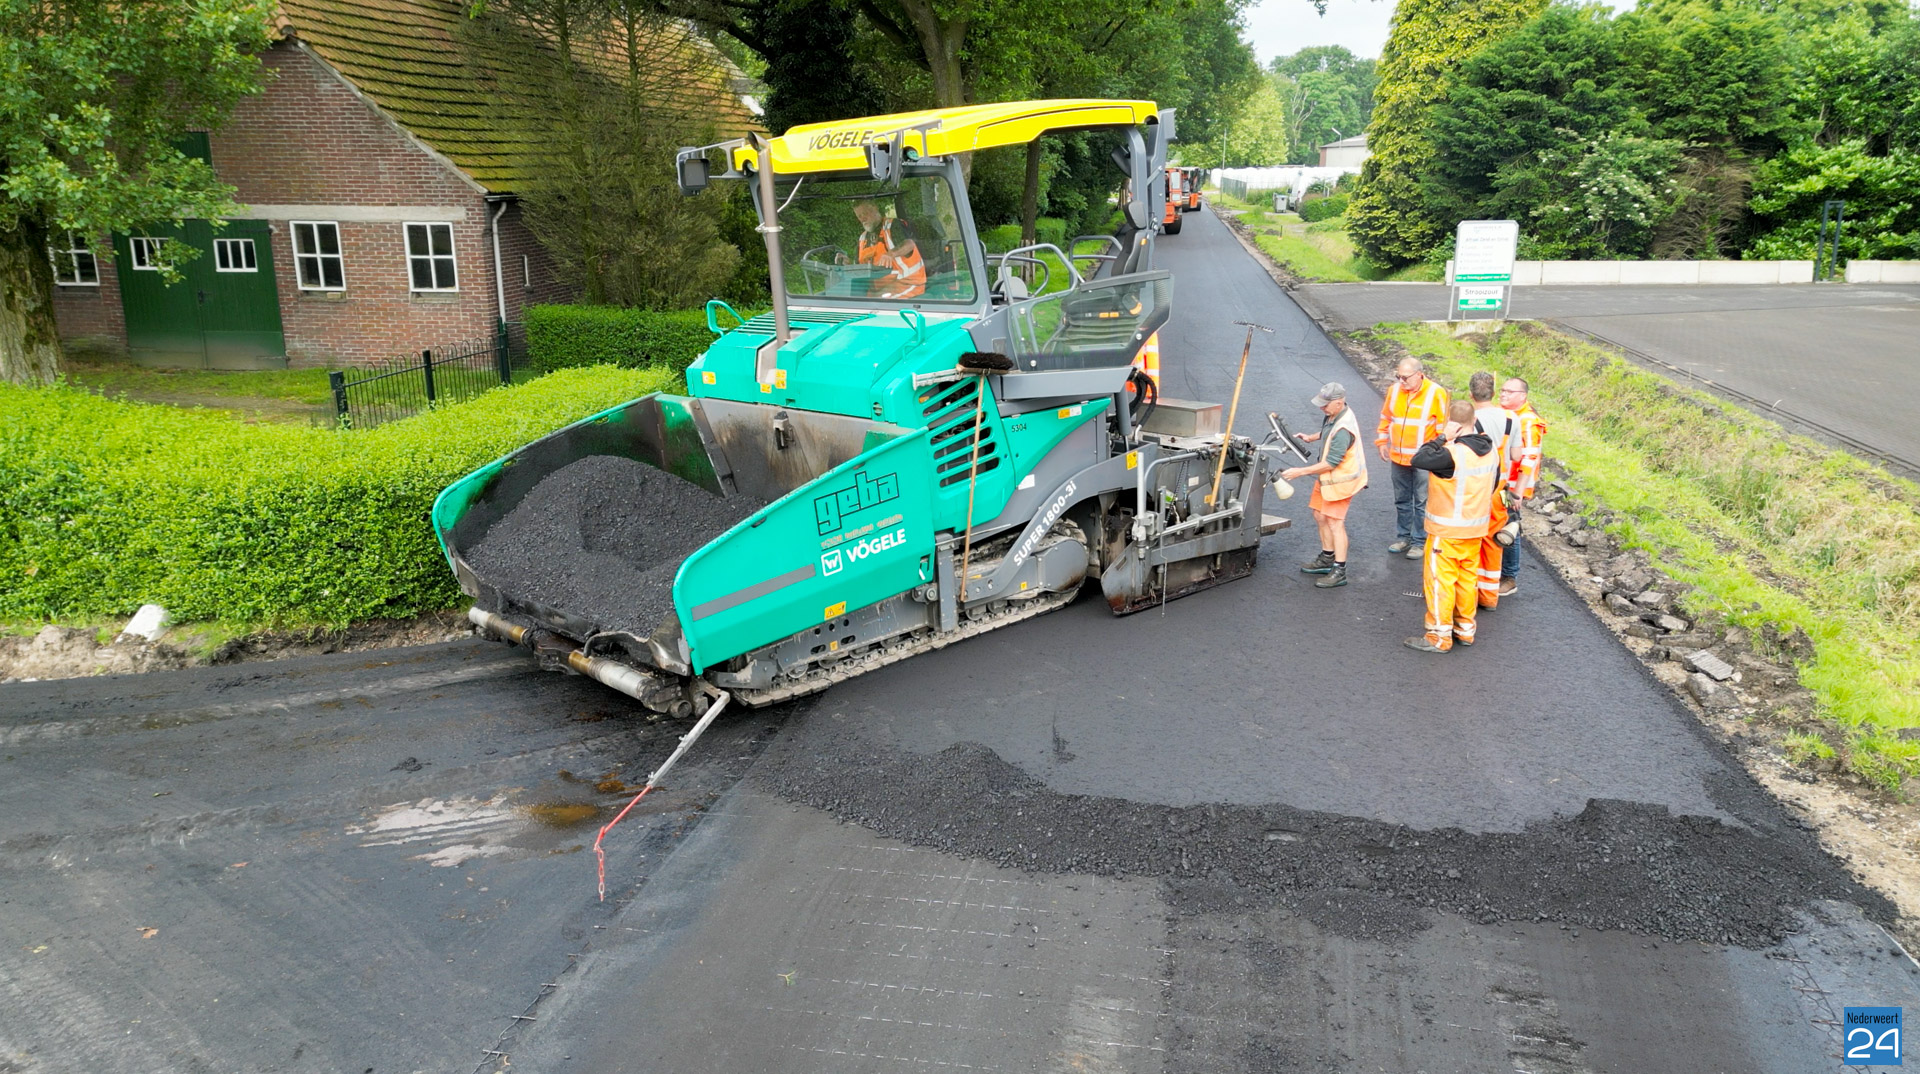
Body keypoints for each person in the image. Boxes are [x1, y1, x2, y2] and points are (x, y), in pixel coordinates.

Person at [1405, 400, 1498, 653]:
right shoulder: (1491, 450)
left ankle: (1438, 637)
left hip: (1446, 532)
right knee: (1467, 581)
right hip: (1475, 530)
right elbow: (1494, 482)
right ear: (1474, 420)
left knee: (1440, 583)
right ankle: (1465, 631)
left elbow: (1419, 458)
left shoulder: (1451, 454)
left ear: (1452, 423)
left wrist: (1442, 437)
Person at [1285, 381, 1369, 589]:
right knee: (1319, 515)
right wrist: (1310, 437)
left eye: (1325, 404)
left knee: (1334, 523)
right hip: (1327, 479)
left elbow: (1331, 462)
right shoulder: (1334, 415)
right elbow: (1327, 431)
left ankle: (1339, 570)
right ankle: (1327, 558)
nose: (1321, 408)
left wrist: (1300, 472)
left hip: (1340, 482)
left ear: (1339, 402)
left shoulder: (1343, 429)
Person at [1376, 357, 1449, 560]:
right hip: (1398, 458)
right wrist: (1382, 442)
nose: (1401, 381)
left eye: (1405, 377)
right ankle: (1403, 537)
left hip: (1424, 460)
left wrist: (1438, 456)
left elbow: (1443, 428)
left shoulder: (1436, 393)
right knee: (1402, 500)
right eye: (1398, 376)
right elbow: (1386, 418)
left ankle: (1419, 541)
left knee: (1422, 501)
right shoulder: (1394, 391)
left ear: (1419, 375)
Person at [1467, 371, 1521, 611]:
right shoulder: (1511, 418)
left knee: (1471, 539)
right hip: (1501, 490)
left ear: (1471, 394)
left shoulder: (1470, 420)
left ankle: (1468, 592)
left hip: (1477, 487)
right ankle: (1489, 596)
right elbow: (1516, 455)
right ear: (1494, 392)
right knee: (1493, 540)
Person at [1498, 377, 1549, 596]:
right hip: (1503, 483)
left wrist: (1517, 491)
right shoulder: (1508, 414)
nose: (1503, 394)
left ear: (1522, 396)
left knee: (1509, 527)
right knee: (1501, 524)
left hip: (1511, 487)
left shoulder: (1527, 421)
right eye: (1502, 390)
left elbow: (1529, 458)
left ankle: (1509, 577)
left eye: (1509, 391)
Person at [845, 200, 926, 299]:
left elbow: (909, 244)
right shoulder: (863, 238)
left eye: (865, 213)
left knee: (874, 303)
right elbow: (860, 269)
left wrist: (891, 254)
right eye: (859, 216)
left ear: (875, 208)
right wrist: (847, 264)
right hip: (879, 290)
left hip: (907, 283)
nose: (863, 218)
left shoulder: (892, 226)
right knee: (851, 301)